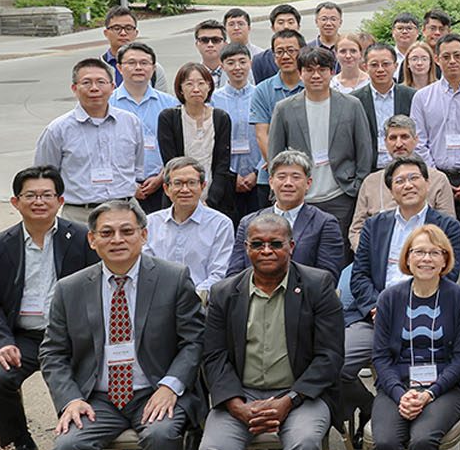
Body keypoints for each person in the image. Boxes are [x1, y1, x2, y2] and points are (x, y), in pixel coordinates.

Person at [43, 201, 204, 450]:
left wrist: (171, 385)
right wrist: (69, 399)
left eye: (127, 231)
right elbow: (53, 353)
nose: (118, 239)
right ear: (92, 240)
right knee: (67, 447)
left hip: (154, 390)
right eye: (107, 233)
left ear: (144, 236)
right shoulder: (69, 290)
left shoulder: (172, 277)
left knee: (162, 435)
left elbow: (194, 341)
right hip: (97, 396)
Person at [198, 211, 344, 450]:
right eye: (257, 244)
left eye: (275, 243)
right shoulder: (225, 292)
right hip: (241, 396)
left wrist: (289, 400)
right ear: (245, 248)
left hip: (299, 395)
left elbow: (330, 357)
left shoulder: (316, 285)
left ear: (291, 247)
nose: (266, 250)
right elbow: (213, 358)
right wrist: (233, 403)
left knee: (305, 442)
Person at [0, 166, 99, 450]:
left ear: (60, 201)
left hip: (69, 335)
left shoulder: (83, 239)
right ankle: (23, 445)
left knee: (75, 380)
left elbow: (100, 289)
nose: (39, 201)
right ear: (16, 202)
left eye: (46, 195)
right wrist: (1, 342)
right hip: (22, 337)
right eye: (31, 195)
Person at [267, 47, 370, 253]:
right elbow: (275, 155)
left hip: (340, 194)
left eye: (322, 69)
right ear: (300, 73)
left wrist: (357, 186)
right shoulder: (284, 108)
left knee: (336, 254)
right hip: (300, 196)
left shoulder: (351, 105)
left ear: (332, 72)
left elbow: (364, 150)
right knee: (297, 253)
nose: (316, 75)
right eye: (309, 70)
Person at [36, 58, 142, 223]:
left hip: (125, 211)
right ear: (74, 88)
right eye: (86, 82)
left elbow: (138, 166)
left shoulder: (131, 122)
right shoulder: (57, 129)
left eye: (101, 82)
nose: (94, 88)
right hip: (79, 215)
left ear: (113, 87)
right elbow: (44, 177)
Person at [228, 151, 345, 276]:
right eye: (281, 177)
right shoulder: (248, 222)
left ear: (308, 183)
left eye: (296, 177)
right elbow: (235, 274)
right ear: (271, 182)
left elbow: (328, 277)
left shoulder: (324, 223)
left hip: (304, 294)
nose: (288, 183)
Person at [348, 115, 456, 247]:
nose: (399, 144)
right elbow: (356, 230)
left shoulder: (437, 179)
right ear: (385, 142)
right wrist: (369, 254)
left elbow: (448, 228)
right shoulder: (371, 182)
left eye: (404, 137)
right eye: (393, 138)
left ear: (416, 140)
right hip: (377, 253)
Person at [144, 158, 234, 294]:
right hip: (157, 300)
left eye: (192, 183)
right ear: (166, 188)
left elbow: (218, 274)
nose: (185, 189)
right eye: (178, 183)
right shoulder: (150, 223)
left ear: (203, 186)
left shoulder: (220, 224)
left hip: (201, 304)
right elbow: (145, 269)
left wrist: (190, 300)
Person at [156, 62, 235, 214]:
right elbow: (170, 162)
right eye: (189, 84)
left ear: (209, 86)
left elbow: (222, 163)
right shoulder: (168, 118)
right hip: (179, 194)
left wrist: (210, 201)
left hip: (215, 197)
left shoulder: (221, 118)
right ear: (180, 88)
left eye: (201, 83)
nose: (196, 89)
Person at [109, 45, 171, 212]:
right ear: (119, 68)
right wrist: (130, 184)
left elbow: (178, 148)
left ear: (153, 68)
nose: (138, 68)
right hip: (119, 189)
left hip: (163, 186)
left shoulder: (170, 104)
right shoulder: (107, 104)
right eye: (131, 63)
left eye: (144, 63)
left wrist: (161, 177)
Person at [212, 45, 262, 220]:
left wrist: (257, 172)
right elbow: (212, 143)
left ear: (250, 62)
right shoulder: (213, 99)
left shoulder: (261, 95)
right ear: (222, 66)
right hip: (226, 180)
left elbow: (269, 136)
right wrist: (232, 176)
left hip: (259, 176)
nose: (237, 67)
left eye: (242, 61)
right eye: (231, 63)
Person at [356, 44, 416, 168]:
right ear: (365, 67)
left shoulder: (411, 96)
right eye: (374, 65)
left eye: (385, 64)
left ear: (395, 66)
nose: (380, 69)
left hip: (405, 166)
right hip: (369, 169)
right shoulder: (356, 100)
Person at [248, 4, 301, 83]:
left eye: (290, 22)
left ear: (298, 26)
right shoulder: (260, 60)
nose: (286, 26)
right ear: (272, 27)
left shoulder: (309, 56)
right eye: (281, 22)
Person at [96, 5, 138, 85]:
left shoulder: (152, 69)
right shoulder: (96, 68)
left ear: (136, 33)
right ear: (106, 33)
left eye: (128, 28)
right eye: (116, 28)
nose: (123, 33)